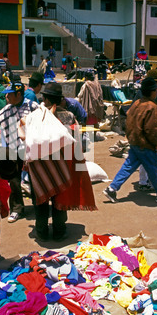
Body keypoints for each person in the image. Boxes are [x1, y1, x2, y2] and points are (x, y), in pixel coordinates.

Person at [27, 82, 97, 241]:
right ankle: (59, 231)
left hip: (39, 165)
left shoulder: (34, 116)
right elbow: (76, 143)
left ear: (45, 98)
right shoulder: (69, 117)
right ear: (59, 100)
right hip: (61, 165)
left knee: (41, 200)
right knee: (59, 199)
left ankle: (42, 231)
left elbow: (27, 141)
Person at [103, 77, 157, 205]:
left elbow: (129, 120)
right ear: (152, 92)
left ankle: (111, 189)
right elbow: (150, 130)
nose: (156, 92)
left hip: (135, 142)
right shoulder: (152, 107)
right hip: (145, 144)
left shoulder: (136, 103)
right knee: (154, 168)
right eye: (155, 90)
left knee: (128, 167)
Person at [0, 78, 39, 223]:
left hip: (32, 149)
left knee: (35, 180)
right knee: (14, 181)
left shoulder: (33, 107)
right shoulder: (4, 112)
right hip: (13, 150)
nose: (6, 97)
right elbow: (4, 133)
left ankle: (38, 206)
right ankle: (16, 209)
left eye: (9, 94)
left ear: (19, 94)